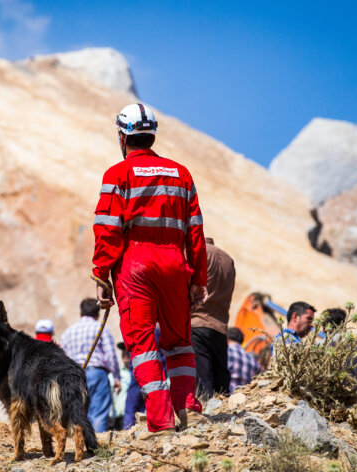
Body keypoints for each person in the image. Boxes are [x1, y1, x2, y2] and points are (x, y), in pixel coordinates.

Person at [92, 103, 208, 439]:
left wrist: (102, 274)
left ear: (122, 136)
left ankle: (161, 422)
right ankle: (187, 407)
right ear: (151, 134)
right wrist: (198, 278)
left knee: (142, 343)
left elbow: (108, 228)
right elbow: (196, 230)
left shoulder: (117, 174)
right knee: (179, 341)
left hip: (135, 265)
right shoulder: (181, 173)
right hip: (175, 263)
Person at [61, 298, 121, 433]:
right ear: (98, 314)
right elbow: (110, 355)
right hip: (97, 373)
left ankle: (82, 444)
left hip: (74, 375)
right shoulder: (101, 329)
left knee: (79, 412)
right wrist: (116, 377)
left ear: (80, 313)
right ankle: (97, 447)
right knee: (99, 412)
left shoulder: (68, 332)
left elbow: (63, 358)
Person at [191, 237, 236, 399]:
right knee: (221, 381)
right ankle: (226, 416)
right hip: (220, 327)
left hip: (197, 323)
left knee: (203, 380)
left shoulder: (198, 253)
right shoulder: (228, 259)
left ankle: (207, 416)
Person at [227, 327, 262, 392]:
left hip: (227, 396)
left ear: (227, 339)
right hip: (244, 398)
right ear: (241, 341)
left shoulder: (225, 352)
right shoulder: (252, 360)